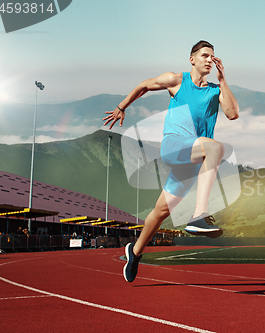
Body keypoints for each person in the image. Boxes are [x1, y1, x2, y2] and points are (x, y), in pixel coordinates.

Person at [103, 41, 239, 282]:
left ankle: (134, 252)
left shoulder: (215, 90)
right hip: (174, 147)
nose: (209, 60)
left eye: (213, 57)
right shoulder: (177, 80)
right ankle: (199, 214)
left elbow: (232, 113)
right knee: (217, 147)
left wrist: (224, 80)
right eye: (204, 55)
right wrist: (121, 106)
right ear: (192, 59)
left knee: (161, 211)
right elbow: (145, 85)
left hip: (194, 157)